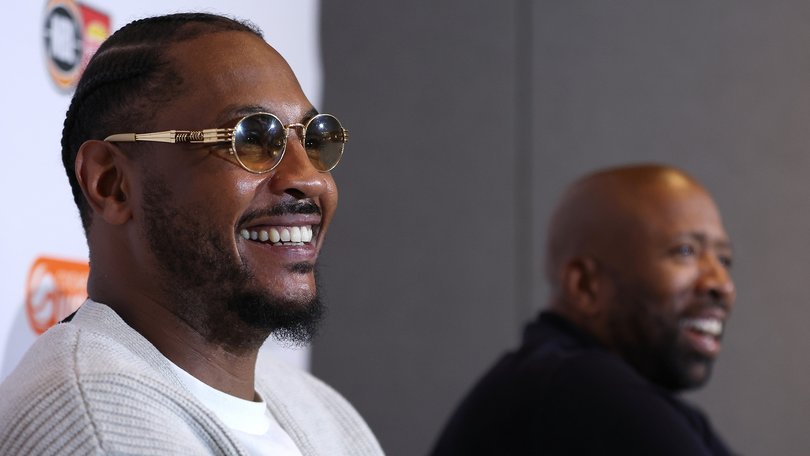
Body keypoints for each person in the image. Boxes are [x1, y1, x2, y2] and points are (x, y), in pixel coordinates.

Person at [0, 13, 383, 456]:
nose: (312, 180)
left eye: (315, 140)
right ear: (111, 184)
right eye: (252, 138)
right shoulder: (92, 429)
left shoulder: (320, 411)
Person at [431, 164, 736, 455]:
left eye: (724, 260)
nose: (722, 284)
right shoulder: (578, 387)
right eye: (685, 251)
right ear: (586, 285)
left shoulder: (572, 383)